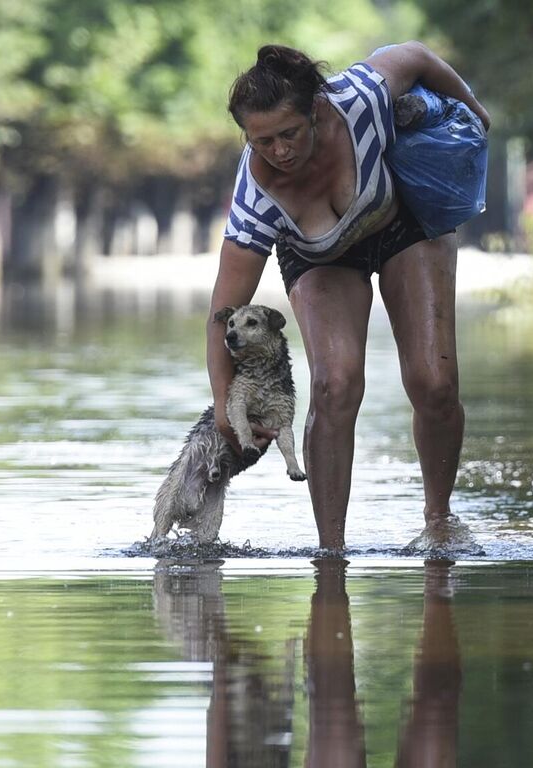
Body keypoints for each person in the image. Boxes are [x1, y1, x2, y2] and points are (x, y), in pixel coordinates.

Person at [208, 42, 490, 554]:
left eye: (289, 134)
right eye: (263, 141)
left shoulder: (360, 97)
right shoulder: (257, 197)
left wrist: (475, 111)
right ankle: (331, 554)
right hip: (319, 256)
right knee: (335, 385)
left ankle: (439, 520)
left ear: (316, 112)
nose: (280, 152)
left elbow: (417, 56)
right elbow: (221, 316)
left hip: (402, 222)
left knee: (435, 381)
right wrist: (227, 409)